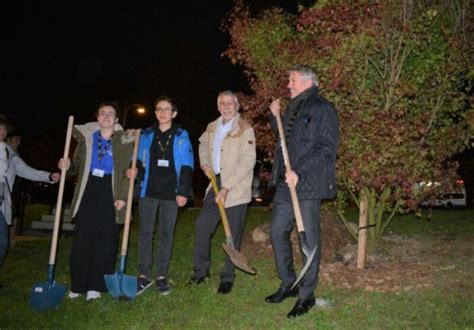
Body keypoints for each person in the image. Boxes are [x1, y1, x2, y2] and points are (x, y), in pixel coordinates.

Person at [266, 65, 339, 318]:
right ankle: (288, 283)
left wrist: (299, 170)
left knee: (308, 241)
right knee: (277, 231)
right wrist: (274, 116)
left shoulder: (323, 109)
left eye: (292, 80)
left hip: (308, 183)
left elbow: (327, 148)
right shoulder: (292, 108)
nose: (288, 85)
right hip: (287, 183)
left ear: (308, 82)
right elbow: (284, 140)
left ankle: (307, 296)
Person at [58, 103, 135, 301]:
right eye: (103, 113)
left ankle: (95, 285)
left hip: (110, 190)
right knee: (82, 238)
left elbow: (128, 173)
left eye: (111, 114)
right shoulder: (86, 139)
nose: (107, 117)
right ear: (97, 117)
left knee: (105, 239)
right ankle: (78, 284)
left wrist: (123, 197)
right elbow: (75, 168)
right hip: (88, 189)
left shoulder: (125, 141)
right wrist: (66, 166)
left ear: (117, 119)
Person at [188, 90, 256, 295]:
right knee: (202, 226)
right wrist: (205, 164)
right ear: (218, 106)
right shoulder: (212, 127)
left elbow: (247, 162)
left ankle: (228, 277)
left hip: (235, 185)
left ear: (237, 106)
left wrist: (228, 187)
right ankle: (201, 271)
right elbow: (202, 146)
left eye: (230, 103)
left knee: (232, 234)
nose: (226, 107)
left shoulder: (245, 129)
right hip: (215, 182)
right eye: (222, 103)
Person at [134, 95, 193, 296]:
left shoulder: (182, 135)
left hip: (171, 194)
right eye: (159, 109)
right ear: (156, 112)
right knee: (145, 234)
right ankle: (143, 275)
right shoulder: (146, 134)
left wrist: (183, 192)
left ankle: (161, 275)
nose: (163, 112)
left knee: (166, 235)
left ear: (173, 113)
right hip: (148, 192)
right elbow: (139, 162)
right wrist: (133, 171)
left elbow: (187, 165)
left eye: (167, 109)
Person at [0, 115, 60, 277]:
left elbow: (27, 171)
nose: (1, 131)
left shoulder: (10, 155)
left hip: (1, 206)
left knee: (2, 244)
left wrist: (49, 176)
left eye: (3, 129)